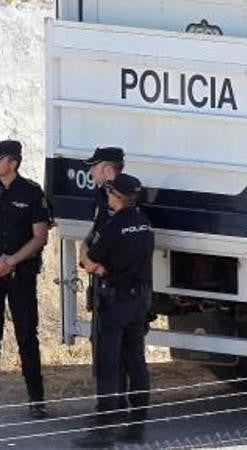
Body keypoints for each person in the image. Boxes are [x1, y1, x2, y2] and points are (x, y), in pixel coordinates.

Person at [0, 139, 52, 418]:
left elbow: (40, 237)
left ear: (12, 163)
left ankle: (36, 399)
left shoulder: (31, 192)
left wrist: (11, 261)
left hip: (21, 274)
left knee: (27, 334)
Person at [73, 173, 154, 447]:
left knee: (108, 364)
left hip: (115, 301)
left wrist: (85, 250)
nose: (107, 196)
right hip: (139, 300)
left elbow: (89, 262)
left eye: (110, 193)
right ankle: (137, 425)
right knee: (136, 361)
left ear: (117, 197)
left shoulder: (113, 226)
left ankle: (104, 431)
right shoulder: (144, 223)